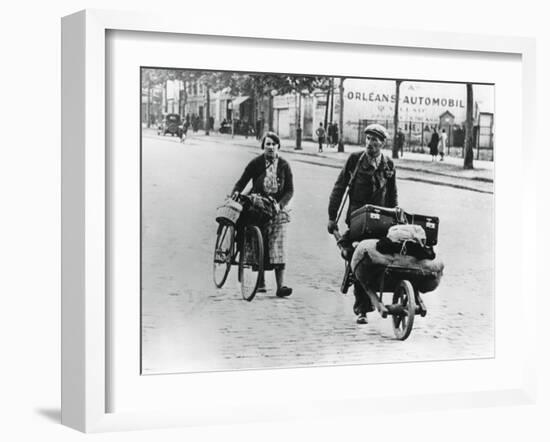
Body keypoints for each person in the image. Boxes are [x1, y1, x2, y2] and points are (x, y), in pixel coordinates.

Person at [327, 123, 398, 324]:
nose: (370, 144)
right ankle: (362, 309)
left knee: (385, 255)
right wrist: (332, 216)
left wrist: (395, 219)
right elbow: (339, 187)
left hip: (381, 221)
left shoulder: (389, 164)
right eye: (368, 139)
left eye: (375, 140)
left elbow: (392, 195)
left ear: (382, 143)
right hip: (358, 220)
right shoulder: (355, 160)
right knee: (359, 256)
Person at [232, 132, 294, 297]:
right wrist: (235, 193)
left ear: (278, 147)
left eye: (274, 144)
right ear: (263, 146)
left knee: (278, 245)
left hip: (277, 209)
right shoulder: (256, 163)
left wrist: (280, 205)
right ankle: (261, 281)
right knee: (259, 241)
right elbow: (242, 181)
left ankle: (281, 286)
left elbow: (289, 190)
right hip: (258, 206)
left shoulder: (284, 166)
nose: (271, 147)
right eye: (268, 144)